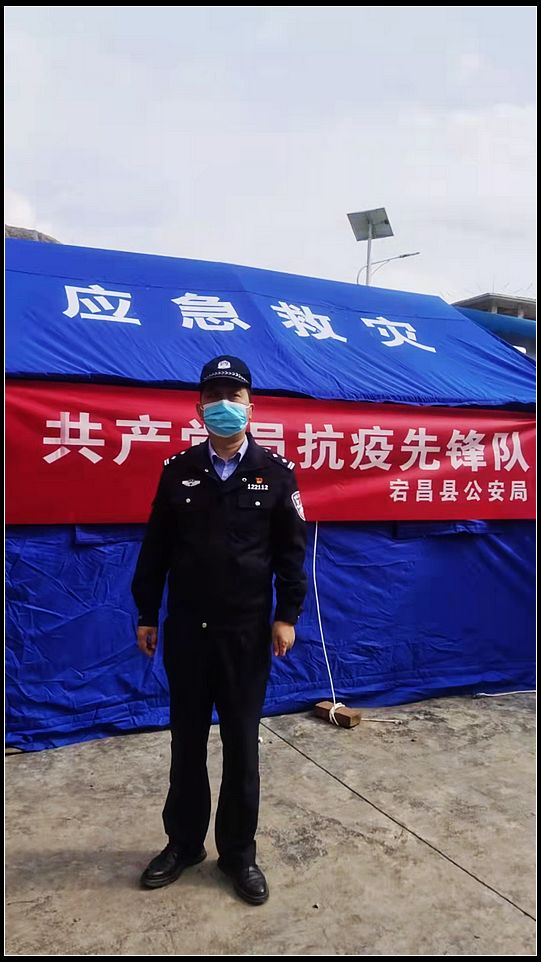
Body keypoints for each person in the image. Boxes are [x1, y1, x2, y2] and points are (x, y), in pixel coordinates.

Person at [132, 355, 307, 905]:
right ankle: (183, 844)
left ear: (252, 407)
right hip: (187, 631)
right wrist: (146, 612)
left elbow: (291, 553)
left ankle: (238, 854)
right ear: (199, 407)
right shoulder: (178, 470)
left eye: (235, 396)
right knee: (186, 742)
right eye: (215, 397)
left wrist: (287, 615)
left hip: (244, 634)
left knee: (241, 746)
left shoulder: (275, 473)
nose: (224, 406)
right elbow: (156, 548)